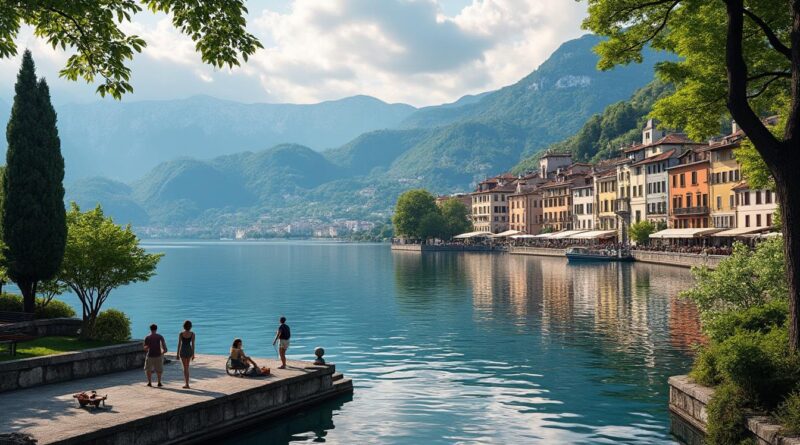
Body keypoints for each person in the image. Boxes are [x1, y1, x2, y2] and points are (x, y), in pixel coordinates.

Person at [176, 320, 195, 389]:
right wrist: (193, 354)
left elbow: (179, 344)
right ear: (190, 327)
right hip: (189, 351)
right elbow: (193, 345)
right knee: (187, 367)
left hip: (183, 351)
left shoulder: (181, 334)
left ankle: (186, 384)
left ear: (184, 326)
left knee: (185, 368)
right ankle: (187, 384)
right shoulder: (192, 334)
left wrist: (177, 354)